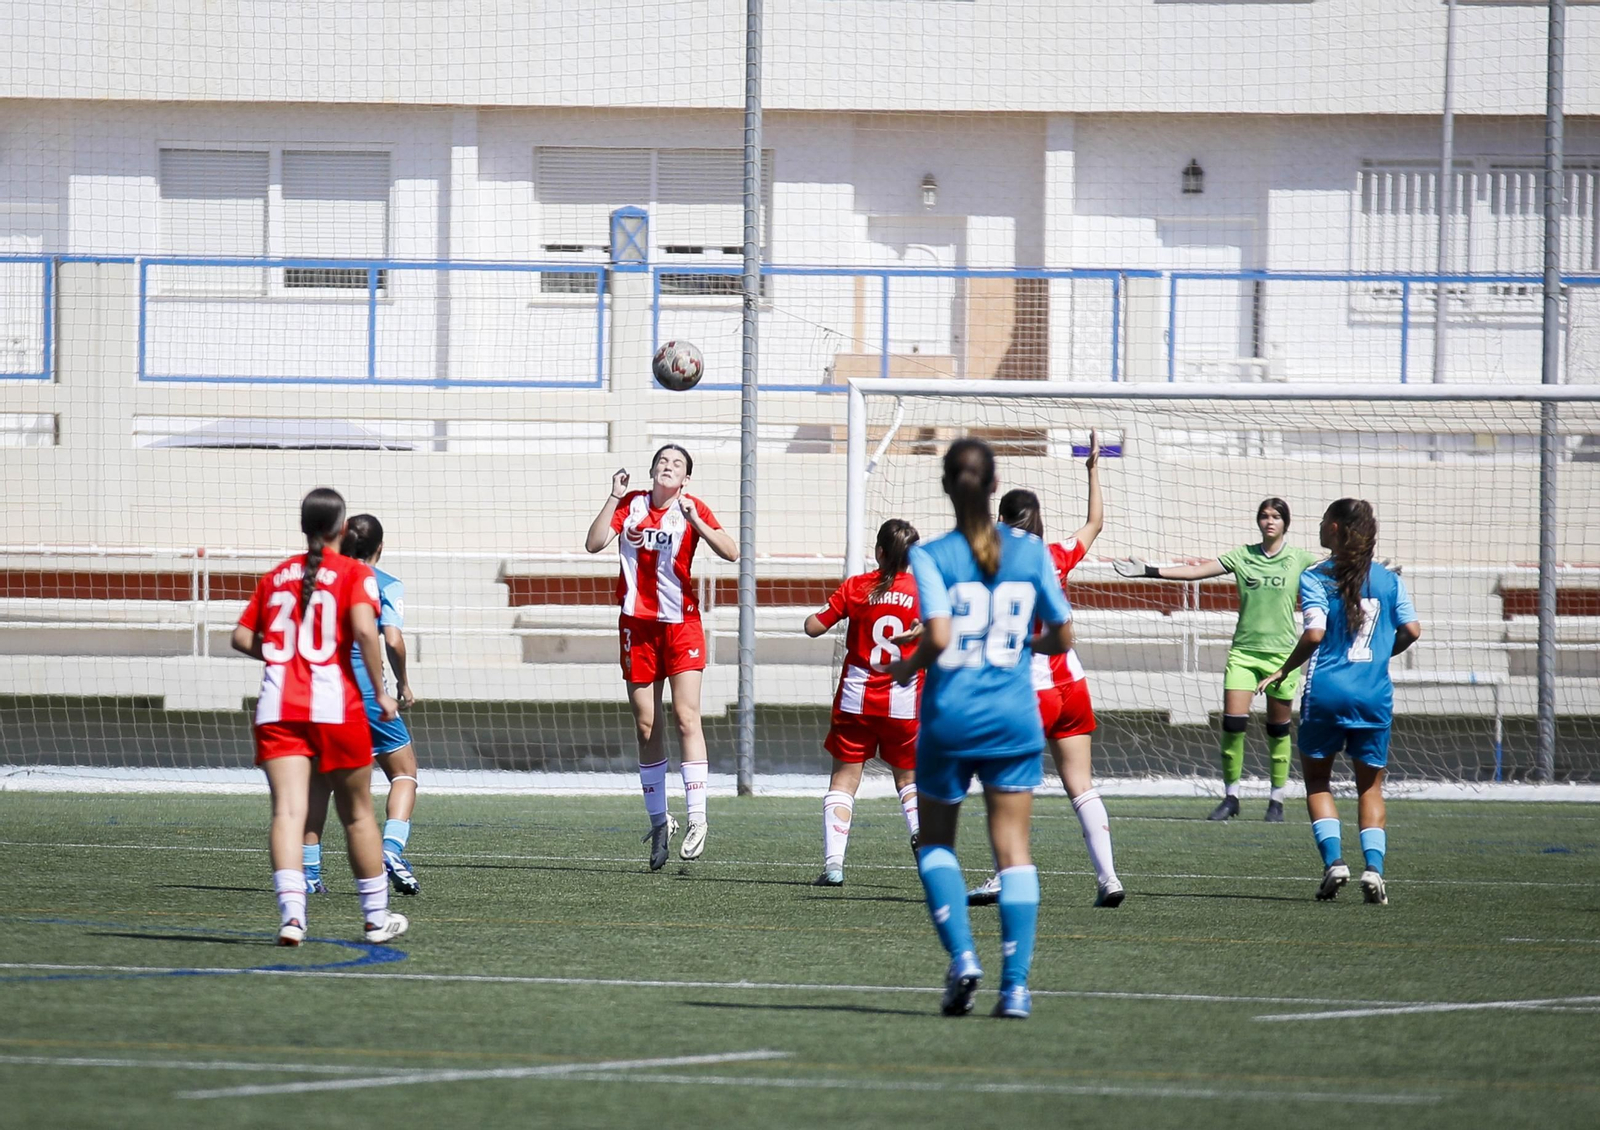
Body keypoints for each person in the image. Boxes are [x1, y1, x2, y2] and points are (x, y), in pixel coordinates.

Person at [890, 438, 1074, 1021]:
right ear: (994, 486)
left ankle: (963, 957)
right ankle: (1015, 988)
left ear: (946, 486)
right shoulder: (1032, 551)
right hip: (1013, 717)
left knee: (937, 844)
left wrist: (907, 666)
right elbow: (1062, 636)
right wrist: (1026, 644)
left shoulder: (931, 554)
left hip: (950, 717)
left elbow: (940, 636)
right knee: (1013, 850)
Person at [230, 488, 408, 946]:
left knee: (288, 812)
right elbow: (366, 632)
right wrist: (381, 692)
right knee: (358, 815)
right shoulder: (353, 572)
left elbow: (240, 637)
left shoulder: (276, 576)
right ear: (340, 529)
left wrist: (283, 655)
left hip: (278, 707)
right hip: (335, 705)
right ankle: (375, 919)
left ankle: (292, 917)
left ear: (303, 526)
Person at [969, 431, 1123, 908]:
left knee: (1005, 784)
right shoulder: (1055, 555)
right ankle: (1109, 878)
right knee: (1081, 786)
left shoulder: (993, 561)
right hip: (1071, 684)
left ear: (1002, 519)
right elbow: (1095, 523)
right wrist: (1093, 470)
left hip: (1026, 690)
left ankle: (1004, 876)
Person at [1256, 499, 1421, 906]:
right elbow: (1413, 630)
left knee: (1317, 781)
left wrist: (1283, 670)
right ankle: (1374, 869)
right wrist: (1380, 654)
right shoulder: (1389, 579)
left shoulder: (1315, 576)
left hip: (1326, 693)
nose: (1317, 526)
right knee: (1370, 786)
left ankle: (1334, 863)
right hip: (1373, 695)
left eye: (1322, 521)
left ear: (1334, 528)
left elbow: (1314, 634)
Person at [1114, 498, 1318, 822]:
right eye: (1264, 516)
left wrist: (1369, 570)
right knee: (1233, 725)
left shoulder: (1299, 559)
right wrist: (1149, 571)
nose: (1270, 521)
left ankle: (1276, 801)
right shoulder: (1243, 556)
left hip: (1283, 657)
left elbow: (1336, 570)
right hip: (1243, 653)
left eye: (1276, 516)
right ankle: (1231, 797)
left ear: (1286, 523)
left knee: (1278, 729)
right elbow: (1197, 571)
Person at [585, 444, 739, 869]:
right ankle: (659, 822)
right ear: (652, 470)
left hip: (681, 625)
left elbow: (732, 551)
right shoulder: (631, 505)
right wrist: (614, 496)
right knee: (646, 724)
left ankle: (697, 818)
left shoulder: (692, 508)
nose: (668, 467)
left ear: (686, 478)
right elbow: (593, 543)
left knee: (687, 716)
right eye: (662, 462)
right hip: (637, 627)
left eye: (677, 464)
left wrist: (698, 523)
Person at [302, 514, 421, 897]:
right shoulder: (384, 582)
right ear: (380, 547)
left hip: (320, 690)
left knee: (320, 782)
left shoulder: (318, 578)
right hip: (366, 692)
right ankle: (391, 850)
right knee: (404, 771)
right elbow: (393, 640)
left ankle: (308, 873)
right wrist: (402, 683)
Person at [802, 518, 923, 886]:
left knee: (844, 780)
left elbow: (814, 627)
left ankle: (834, 865)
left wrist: (820, 614)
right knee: (908, 778)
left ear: (879, 552)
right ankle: (920, 832)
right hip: (904, 700)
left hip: (857, 699)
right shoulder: (924, 591)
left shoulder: (857, 587)